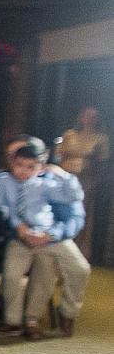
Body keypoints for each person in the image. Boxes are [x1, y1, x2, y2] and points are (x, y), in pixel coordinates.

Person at [0, 138, 89, 340]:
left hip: (49, 236)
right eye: (18, 164)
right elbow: (2, 208)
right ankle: (13, 321)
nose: (23, 171)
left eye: (30, 166)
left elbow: (74, 200)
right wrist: (19, 227)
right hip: (19, 236)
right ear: (11, 161)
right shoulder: (2, 181)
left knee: (77, 268)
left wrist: (62, 174)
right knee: (11, 275)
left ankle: (56, 315)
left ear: (41, 165)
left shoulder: (46, 183)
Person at [58, 106, 107, 256]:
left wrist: (94, 182)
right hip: (66, 177)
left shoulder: (101, 138)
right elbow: (59, 154)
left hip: (86, 180)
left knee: (80, 214)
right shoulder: (69, 134)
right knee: (62, 211)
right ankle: (58, 244)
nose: (89, 119)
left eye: (93, 116)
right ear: (80, 117)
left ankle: (77, 249)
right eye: (86, 115)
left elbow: (103, 162)